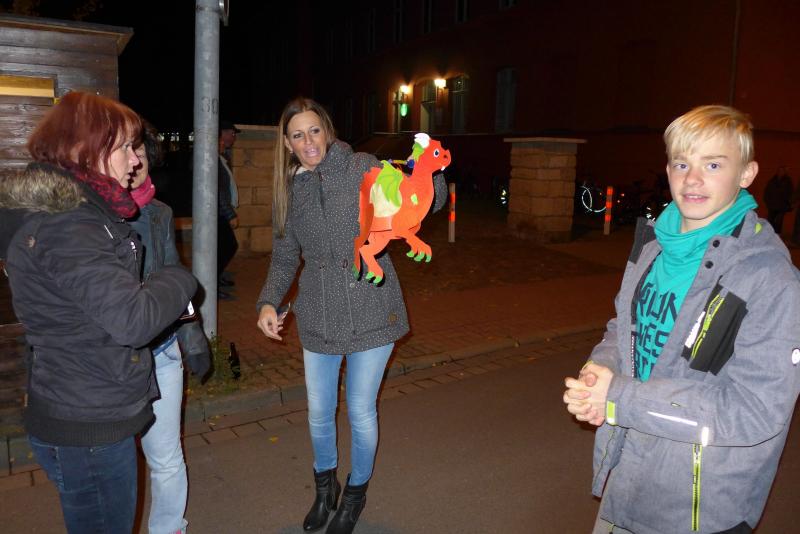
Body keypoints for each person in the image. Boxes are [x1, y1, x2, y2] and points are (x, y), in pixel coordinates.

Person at [563, 105, 800, 533]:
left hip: (695, 505)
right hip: (626, 472)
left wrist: (619, 397)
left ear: (746, 174)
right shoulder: (654, 247)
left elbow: (754, 411)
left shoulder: (769, 277)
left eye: (713, 165)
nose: (692, 179)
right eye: (681, 163)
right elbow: (625, 327)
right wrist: (599, 370)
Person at [0, 92, 197, 533]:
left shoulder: (72, 215)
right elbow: (133, 320)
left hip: (82, 406)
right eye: (125, 146)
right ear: (83, 149)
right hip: (89, 425)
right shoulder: (69, 225)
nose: (136, 159)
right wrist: (180, 278)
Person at [256, 97, 445, 534]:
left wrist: (429, 167)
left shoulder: (361, 166)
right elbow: (284, 258)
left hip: (371, 305)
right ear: (286, 143)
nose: (308, 142)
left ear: (328, 130)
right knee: (319, 412)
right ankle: (325, 489)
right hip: (318, 313)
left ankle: (355, 494)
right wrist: (268, 301)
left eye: (314, 131)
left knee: (360, 410)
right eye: (298, 135)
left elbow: (422, 201)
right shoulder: (289, 192)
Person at [129, 122, 212, 534]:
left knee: (165, 455)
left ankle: (168, 527)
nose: (135, 161)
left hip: (162, 350)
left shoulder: (159, 213)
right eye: (127, 151)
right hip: (114, 359)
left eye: (142, 153)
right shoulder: (93, 217)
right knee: (119, 460)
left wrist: (192, 338)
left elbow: (174, 276)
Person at [217, 120, 240, 300]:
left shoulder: (222, 157)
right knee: (228, 246)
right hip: (217, 213)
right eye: (231, 133)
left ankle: (216, 278)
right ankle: (212, 282)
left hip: (219, 211)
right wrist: (230, 214)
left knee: (223, 247)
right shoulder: (213, 160)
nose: (233, 137)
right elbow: (218, 191)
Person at [763, 164, 793, 234]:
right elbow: (767, 192)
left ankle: (777, 235)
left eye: (782, 171)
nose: (780, 172)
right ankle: (768, 234)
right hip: (772, 205)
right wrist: (768, 202)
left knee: (779, 222)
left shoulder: (788, 182)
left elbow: (790, 193)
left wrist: (787, 203)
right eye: (779, 170)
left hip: (782, 206)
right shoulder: (772, 181)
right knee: (770, 221)